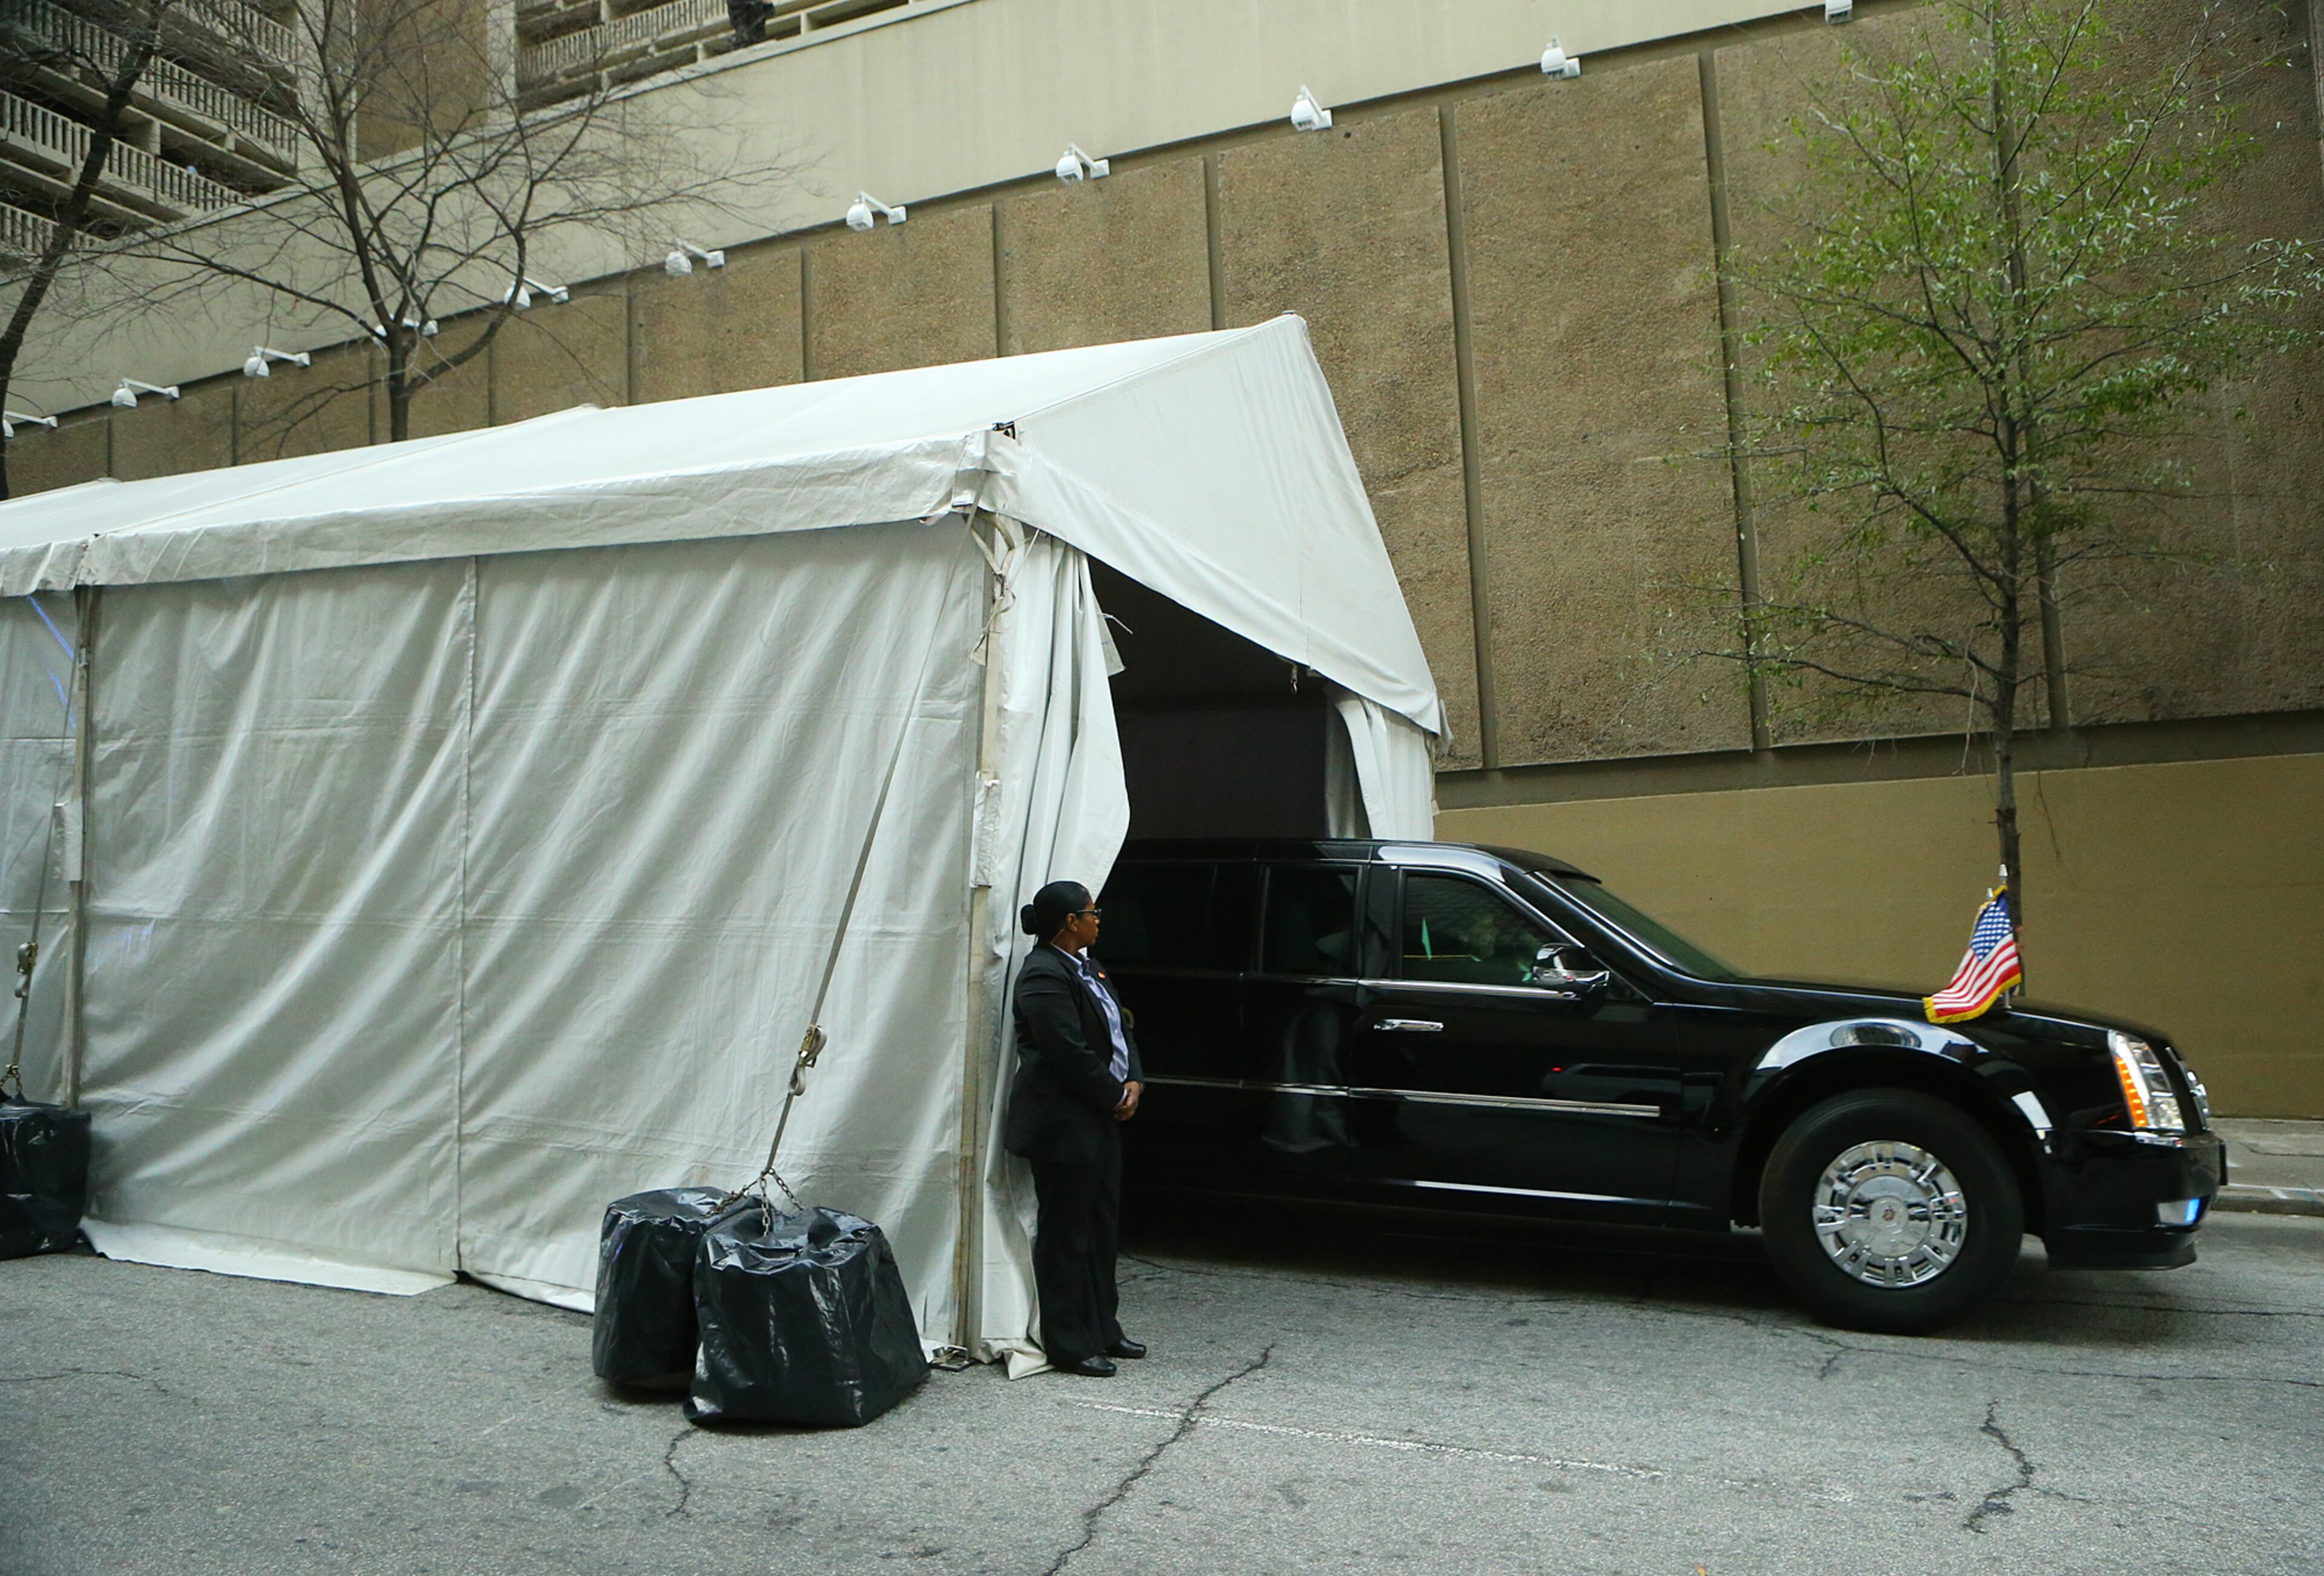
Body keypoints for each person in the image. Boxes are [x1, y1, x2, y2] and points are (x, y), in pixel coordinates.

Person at [1003, 879, 1146, 1377]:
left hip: (1100, 1118)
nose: (1099, 919)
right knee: (1067, 1234)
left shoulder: (1090, 969)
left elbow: (1119, 1028)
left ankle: (1104, 1326)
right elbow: (1065, 1050)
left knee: (1102, 1226)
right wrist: (1112, 1096)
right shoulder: (1043, 974)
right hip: (1064, 1124)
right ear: (1070, 922)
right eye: (1093, 912)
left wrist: (1134, 1080)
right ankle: (1067, 1341)